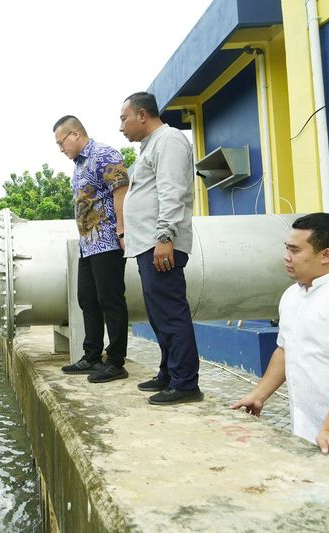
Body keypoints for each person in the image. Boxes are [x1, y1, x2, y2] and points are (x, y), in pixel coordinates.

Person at [232, 213, 329, 472]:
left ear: (326, 255)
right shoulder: (292, 295)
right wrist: (258, 396)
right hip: (311, 434)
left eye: (295, 250)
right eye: (286, 249)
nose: (286, 257)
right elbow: (285, 349)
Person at [119, 92, 203, 405]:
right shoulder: (150, 146)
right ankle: (169, 371)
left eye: (123, 118)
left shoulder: (168, 140)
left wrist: (165, 236)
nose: (120, 126)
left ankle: (185, 383)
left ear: (143, 115)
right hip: (149, 244)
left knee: (170, 312)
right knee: (158, 314)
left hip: (161, 242)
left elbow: (173, 190)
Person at [53, 115, 130, 383]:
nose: (61, 149)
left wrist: (122, 230)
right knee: (87, 298)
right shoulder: (78, 165)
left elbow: (121, 190)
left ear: (75, 134)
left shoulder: (103, 154)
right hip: (88, 245)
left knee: (111, 300)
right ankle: (92, 355)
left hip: (108, 240)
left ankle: (116, 361)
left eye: (61, 143)